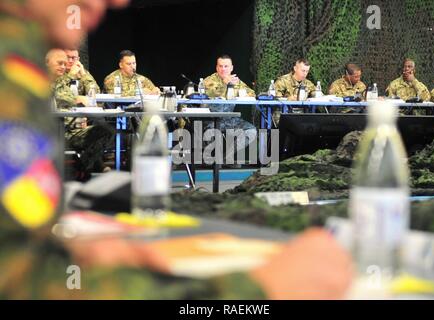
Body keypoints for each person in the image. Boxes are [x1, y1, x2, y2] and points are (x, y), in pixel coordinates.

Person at [0, 0, 353, 300]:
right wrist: (255, 289)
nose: (117, 3)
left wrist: (71, 251)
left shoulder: (19, 55)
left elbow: (23, 242)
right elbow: (22, 280)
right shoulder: (11, 72)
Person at [47, 49, 114, 178]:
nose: (66, 64)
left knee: (106, 131)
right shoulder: (47, 78)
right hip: (54, 131)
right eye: (61, 62)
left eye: (74, 58)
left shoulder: (69, 77)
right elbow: (63, 95)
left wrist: (83, 76)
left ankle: (80, 167)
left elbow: (94, 93)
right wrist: (71, 80)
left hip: (72, 128)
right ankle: (84, 170)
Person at [203, 55, 257, 164]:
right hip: (211, 119)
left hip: (230, 119)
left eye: (226, 66)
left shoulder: (236, 81)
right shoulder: (209, 80)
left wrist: (244, 94)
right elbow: (210, 92)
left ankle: (227, 156)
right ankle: (210, 159)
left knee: (251, 131)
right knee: (209, 131)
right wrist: (225, 83)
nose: (223, 69)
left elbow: (252, 93)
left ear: (231, 68)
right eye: (220, 66)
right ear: (217, 68)